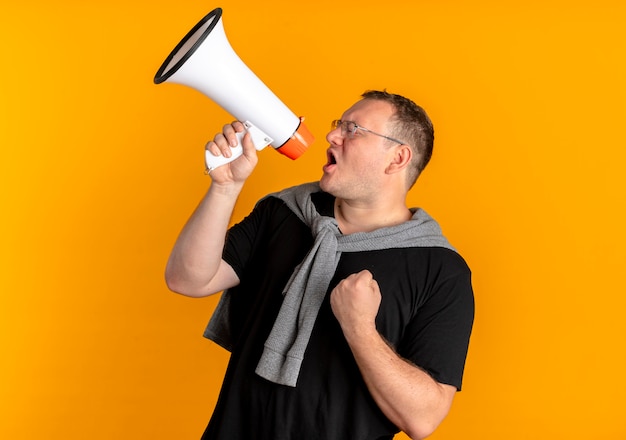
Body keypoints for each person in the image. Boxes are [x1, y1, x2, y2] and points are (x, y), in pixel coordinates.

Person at [165, 90, 474, 440]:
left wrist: (360, 329)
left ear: (397, 158)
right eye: (338, 125)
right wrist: (225, 188)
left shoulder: (441, 270)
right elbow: (186, 279)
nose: (332, 136)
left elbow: (423, 419)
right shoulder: (283, 213)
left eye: (353, 129)